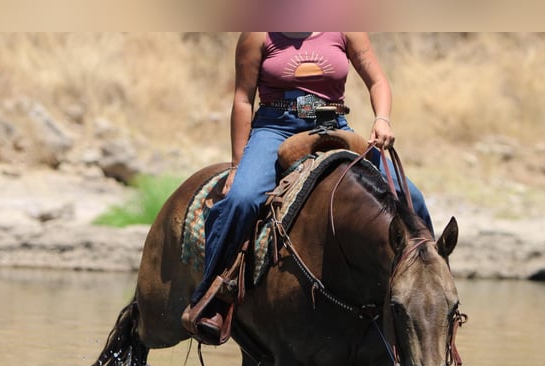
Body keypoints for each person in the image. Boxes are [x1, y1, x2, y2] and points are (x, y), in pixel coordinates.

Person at [183, 32, 434, 341]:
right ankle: (215, 295)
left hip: (334, 125)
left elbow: (378, 81)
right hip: (276, 127)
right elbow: (243, 98)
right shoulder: (257, 34)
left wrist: (382, 118)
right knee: (242, 199)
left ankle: (430, 294)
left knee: (414, 200)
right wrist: (237, 165)